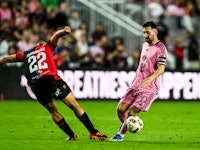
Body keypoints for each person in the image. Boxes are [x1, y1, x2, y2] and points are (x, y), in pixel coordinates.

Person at [0, 26, 107, 141]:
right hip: (50, 79)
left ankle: (71, 136)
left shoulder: (26, 54)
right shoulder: (46, 46)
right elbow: (56, 35)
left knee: (52, 110)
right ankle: (93, 132)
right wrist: (64, 32)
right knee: (74, 105)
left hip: (36, 85)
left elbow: (6, 59)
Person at [110, 21, 167, 141]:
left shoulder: (160, 48)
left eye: (148, 32)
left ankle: (120, 135)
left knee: (131, 113)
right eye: (144, 33)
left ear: (155, 32)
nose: (146, 35)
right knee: (120, 110)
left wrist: (149, 79)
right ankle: (127, 125)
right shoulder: (144, 45)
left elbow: (161, 69)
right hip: (136, 84)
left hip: (149, 87)